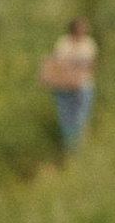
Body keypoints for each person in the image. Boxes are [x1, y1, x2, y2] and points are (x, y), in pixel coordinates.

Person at [38, 18, 98, 154]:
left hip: (83, 85)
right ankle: (70, 148)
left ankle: (81, 148)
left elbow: (90, 65)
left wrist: (75, 72)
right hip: (63, 86)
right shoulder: (63, 43)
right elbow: (58, 63)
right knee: (66, 118)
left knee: (81, 116)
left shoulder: (88, 44)